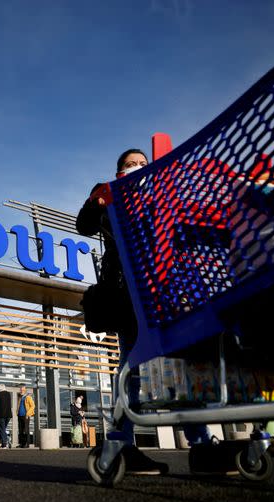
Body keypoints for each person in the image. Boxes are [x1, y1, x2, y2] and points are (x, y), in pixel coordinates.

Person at [77, 148, 212, 474]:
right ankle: (122, 444)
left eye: (142, 164)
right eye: (129, 164)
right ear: (119, 171)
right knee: (133, 368)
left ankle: (202, 446)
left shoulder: (163, 199)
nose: (136, 168)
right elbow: (84, 225)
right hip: (131, 296)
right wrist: (98, 198)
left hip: (169, 294)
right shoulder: (111, 198)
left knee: (180, 371)